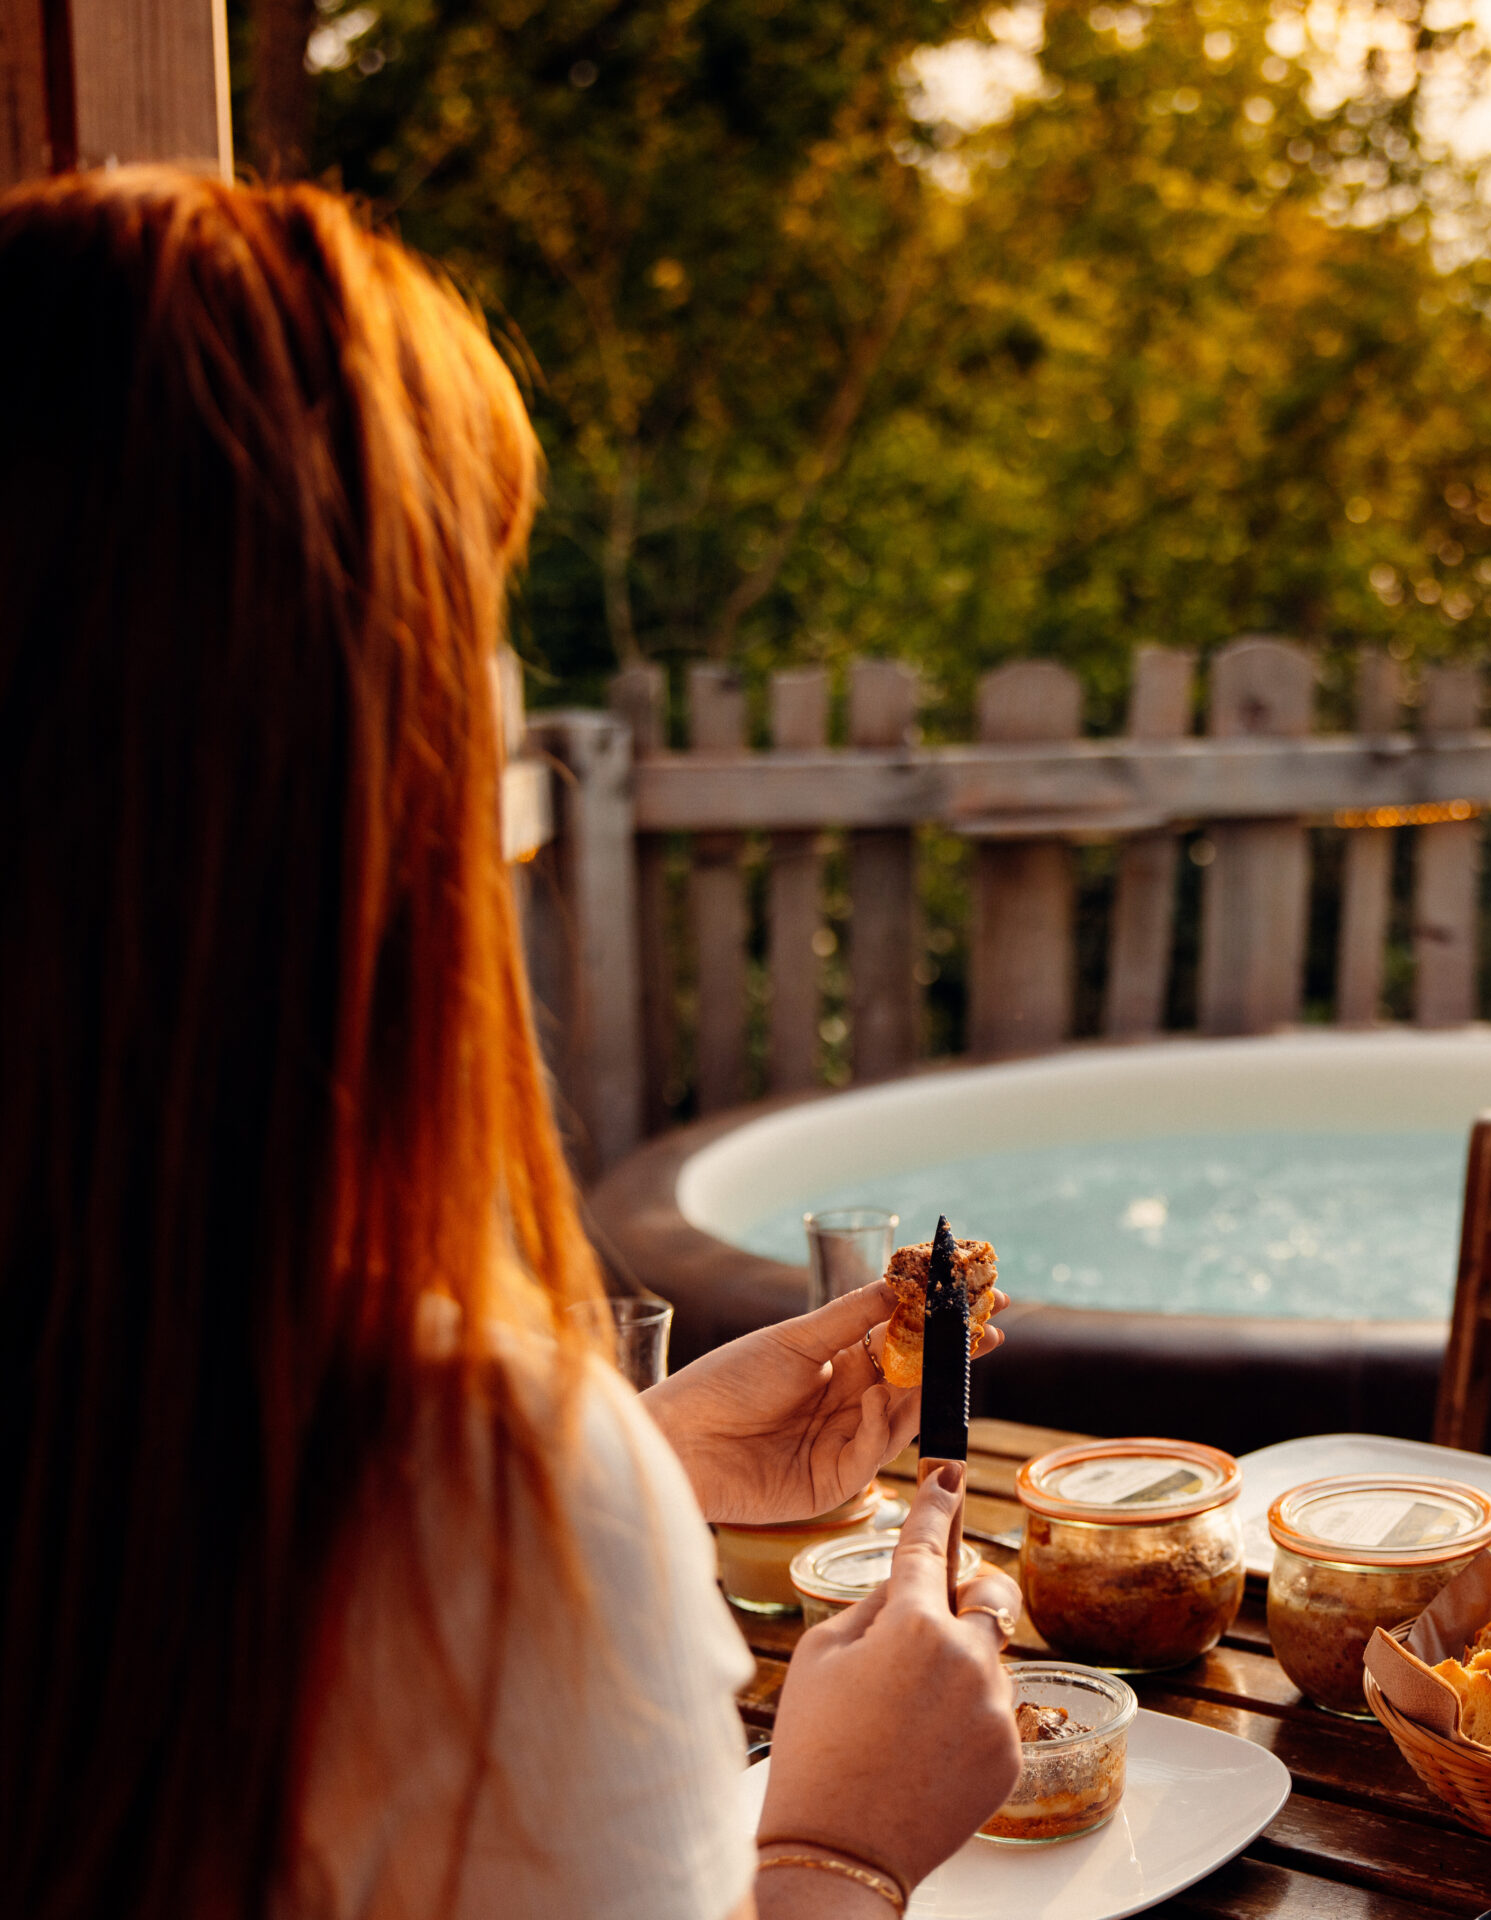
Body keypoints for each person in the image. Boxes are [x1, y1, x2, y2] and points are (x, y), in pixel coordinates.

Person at [0, 167, 1021, 1919]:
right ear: (349, 752)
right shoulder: (473, 1509)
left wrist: (652, 1461)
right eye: (471, 620)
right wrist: (838, 1846)